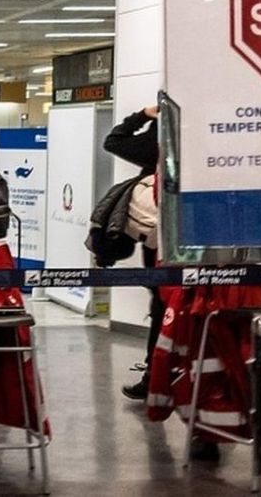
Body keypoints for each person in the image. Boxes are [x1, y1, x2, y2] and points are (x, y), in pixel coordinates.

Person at [103, 105, 162, 400]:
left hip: (159, 241)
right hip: (198, 238)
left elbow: (114, 140)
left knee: (161, 305)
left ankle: (154, 377)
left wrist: (143, 115)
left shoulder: (156, 143)